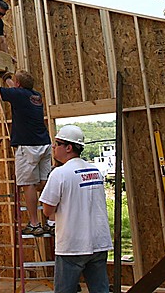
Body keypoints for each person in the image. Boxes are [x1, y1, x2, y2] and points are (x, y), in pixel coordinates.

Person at [39, 124, 112, 293]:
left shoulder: (60, 173)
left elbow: (47, 210)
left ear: (69, 147)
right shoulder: (95, 170)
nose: (54, 148)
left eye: (57, 144)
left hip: (72, 245)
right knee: (100, 290)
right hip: (99, 242)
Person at [0, 69, 52, 236]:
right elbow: (15, 90)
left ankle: (34, 223)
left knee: (28, 184)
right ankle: (50, 221)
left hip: (27, 147)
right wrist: (7, 78)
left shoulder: (20, 95)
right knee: (43, 182)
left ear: (18, 85)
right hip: (43, 143)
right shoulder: (35, 95)